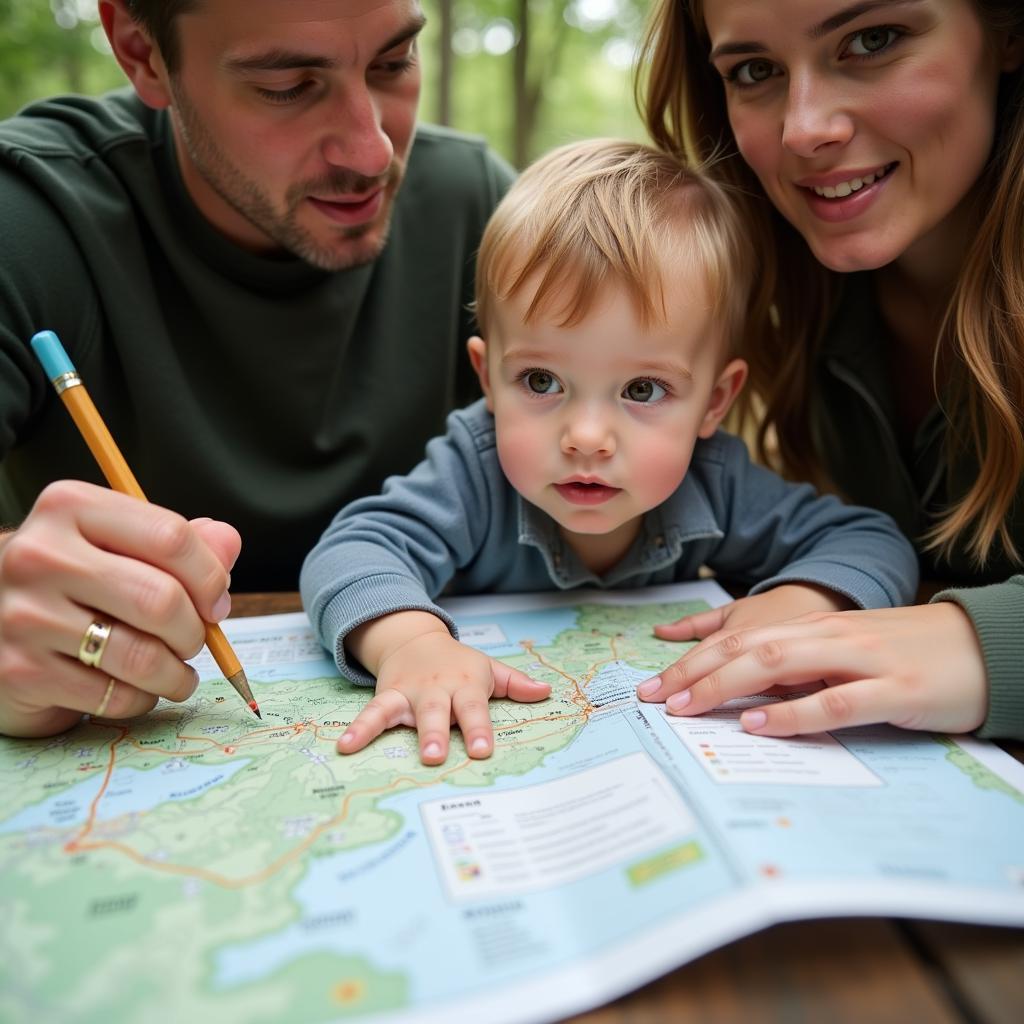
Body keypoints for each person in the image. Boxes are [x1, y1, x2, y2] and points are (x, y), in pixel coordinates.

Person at [299, 138, 919, 766]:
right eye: (541, 381)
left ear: (713, 401)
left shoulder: (715, 481)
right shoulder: (475, 470)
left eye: (642, 389)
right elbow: (351, 551)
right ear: (488, 380)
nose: (587, 436)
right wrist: (410, 644)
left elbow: (871, 541)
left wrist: (805, 603)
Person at [0, 0, 516, 739]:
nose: (372, 152)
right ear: (143, 53)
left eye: (393, 63)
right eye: (287, 86)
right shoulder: (30, 217)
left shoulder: (478, 207)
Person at [632, 0, 1024, 740]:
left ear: (1005, 32)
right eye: (755, 71)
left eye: (872, 41)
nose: (804, 128)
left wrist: (989, 646)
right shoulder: (781, 305)